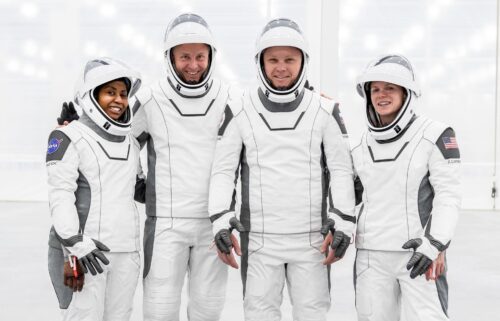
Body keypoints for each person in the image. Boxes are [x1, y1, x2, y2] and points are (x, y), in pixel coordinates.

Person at [208, 18, 356, 321]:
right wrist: (220, 219)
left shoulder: (326, 110)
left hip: (312, 240)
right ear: (260, 62)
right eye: (273, 59)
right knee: (259, 313)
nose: (281, 67)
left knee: (312, 313)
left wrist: (344, 221)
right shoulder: (239, 108)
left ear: (303, 61)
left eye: (290, 59)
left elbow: (341, 170)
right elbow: (223, 171)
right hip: (260, 240)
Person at [131, 13, 237, 321]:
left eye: (200, 56)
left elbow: (258, 139)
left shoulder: (230, 97)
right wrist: (140, 187)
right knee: (159, 310)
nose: (193, 65)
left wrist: (307, 102)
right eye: (185, 57)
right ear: (170, 58)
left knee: (208, 311)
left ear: (211, 56)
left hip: (214, 225)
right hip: (165, 225)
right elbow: (120, 142)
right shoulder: (150, 99)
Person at [351, 54, 461, 321]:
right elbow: (347, 194)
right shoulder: (359, 146)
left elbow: (449, 195)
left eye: (390, 88)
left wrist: (435, 243)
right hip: (370, 256)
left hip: (419, 254)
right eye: (375, 89)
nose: (381, 95)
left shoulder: (436, 134)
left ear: (407, 93)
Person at [46, 57, 142, 320]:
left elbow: (138, 189)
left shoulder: (131, 142)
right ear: (91, 96)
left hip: (127, 251)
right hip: (87, 252)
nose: (119, 100)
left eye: (123, 94)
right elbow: (60, 195)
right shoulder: (68, 136)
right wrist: (74, 246)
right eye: (110, 92)